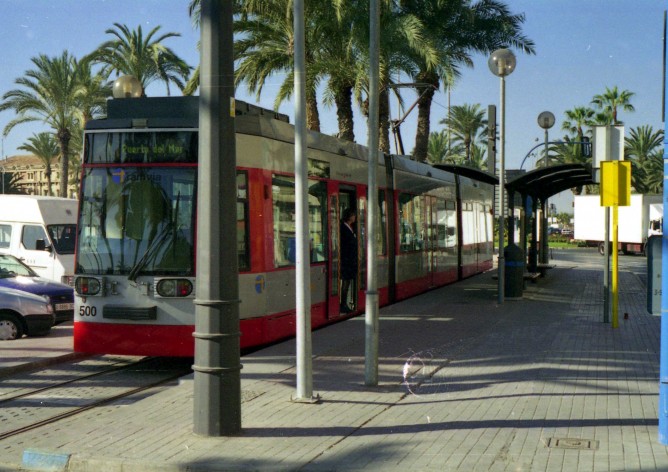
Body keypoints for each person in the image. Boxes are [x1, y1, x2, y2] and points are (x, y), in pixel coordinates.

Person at [340, 208, 357, 313]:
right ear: (349, 217)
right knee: (345, 283)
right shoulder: (344, 228)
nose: (355, 217)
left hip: (349, 260)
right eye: (353, 215)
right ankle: (343, 304)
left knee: (347, 282)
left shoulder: (349, 227)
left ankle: (344, 303)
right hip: (346, 260)